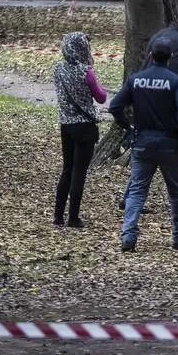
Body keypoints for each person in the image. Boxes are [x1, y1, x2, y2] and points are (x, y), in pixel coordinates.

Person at [118, 11, 178, 217]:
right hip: (167, 109)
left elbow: (116, 104)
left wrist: (127, 125)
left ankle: (129, 199)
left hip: (146, 107)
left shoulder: (161, 35)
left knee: (144, 161)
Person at [109, 39, 178, 252]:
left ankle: (128, 235)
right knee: (177, 192)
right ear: (170, 58)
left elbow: (115, 106)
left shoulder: (136, 80)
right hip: (170, 143)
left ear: (150, 55)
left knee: (137, 191)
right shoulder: (176, 81)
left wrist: (128, 127)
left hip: (142, 142)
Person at [53, 32, 107, 228]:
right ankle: (73, 217)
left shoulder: (58, 69)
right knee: (79, 172)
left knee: (67, 168)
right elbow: (101, 97)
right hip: (85, 126)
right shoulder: (86, 72)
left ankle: (58, 215)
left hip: (66, 125)